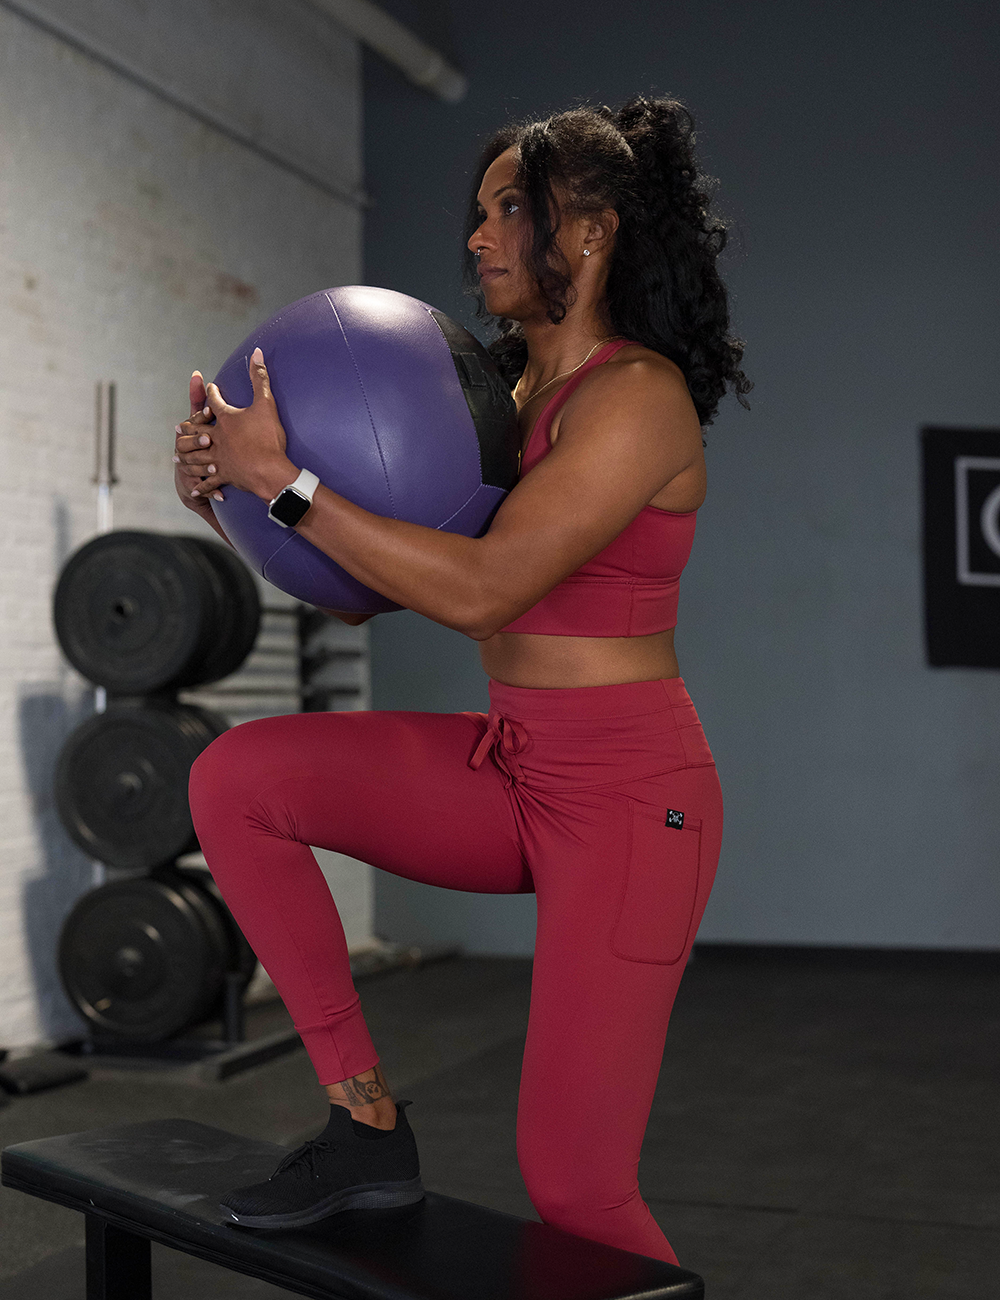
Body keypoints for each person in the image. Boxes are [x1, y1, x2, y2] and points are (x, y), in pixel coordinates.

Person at [174, 95, 749, 1264]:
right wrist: (233, 497)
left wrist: (286, 482)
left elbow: (485, 590)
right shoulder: (495, 399)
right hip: (513, 765)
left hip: (632, 801)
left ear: (586, 231)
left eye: (505, 211)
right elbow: (364, 590)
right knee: (239, 778)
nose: (477, 240)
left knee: (575, 1189)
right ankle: (365, 1123)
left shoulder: (638, 399)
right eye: (477, 215)